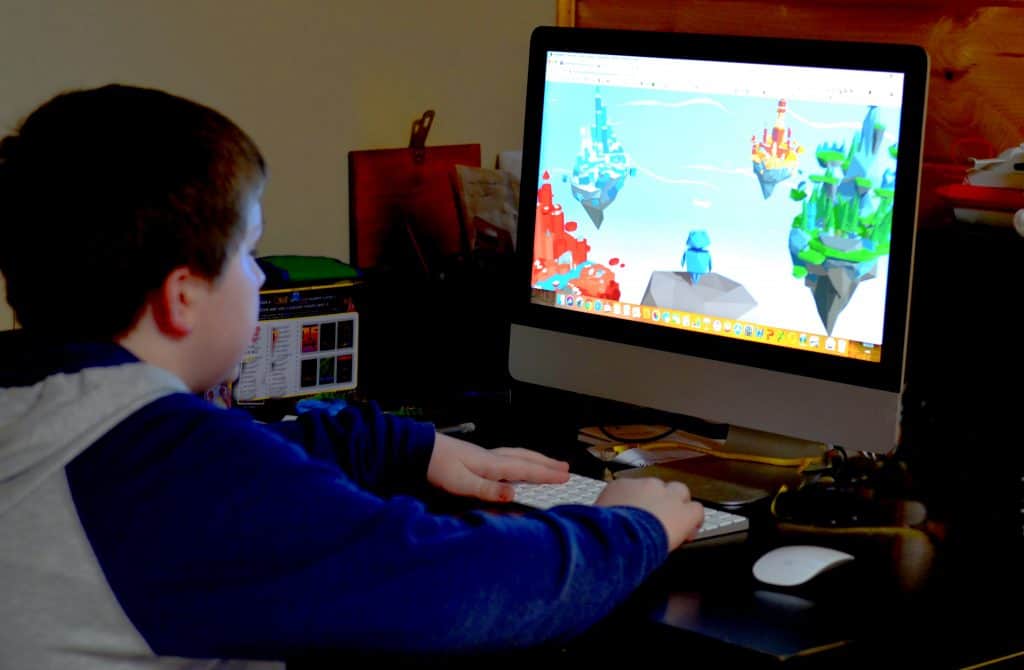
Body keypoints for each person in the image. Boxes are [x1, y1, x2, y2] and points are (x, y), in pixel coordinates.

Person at [0, 84, 704, 669]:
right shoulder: (172, 473)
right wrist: (630, 526)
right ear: (183, 297)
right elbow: (450, 590)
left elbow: (254, 456)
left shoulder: (49, 412)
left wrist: (411, 447)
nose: (260, 275)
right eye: (251, 253)